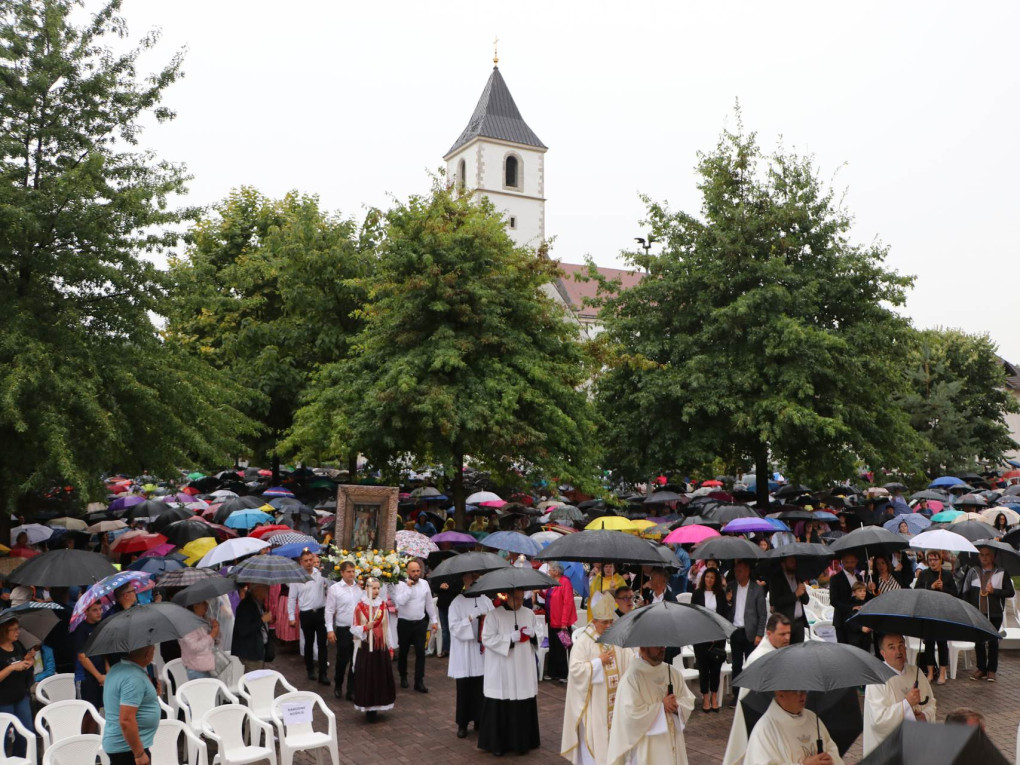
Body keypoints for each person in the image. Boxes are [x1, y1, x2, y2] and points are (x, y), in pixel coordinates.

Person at [561, 597, 631, 765]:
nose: (608, 626)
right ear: (594, 621)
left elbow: (628, 659)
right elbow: (575, 670)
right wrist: (598, 662)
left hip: (615, 705)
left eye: (610, 622)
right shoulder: (584, 642)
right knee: (595, 748)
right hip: (594, 705)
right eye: (604, 623)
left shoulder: (615, 638)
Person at [606, 644, 695, 765]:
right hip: (647, 748)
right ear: (643, 648)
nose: (662, 649)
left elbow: (688, 700)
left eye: (663, 645)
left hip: (673, 742)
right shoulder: (631, 678)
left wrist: (677, 705)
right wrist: (661, 707)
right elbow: (630, 716)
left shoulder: (672, 673)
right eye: (657, 646)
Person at [722, 613, 792, 765]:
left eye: (789, 633)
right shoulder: (758, 659)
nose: (787, 638)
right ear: (769, 633)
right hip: (759, 718)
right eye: (782, 634)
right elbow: (754, 699)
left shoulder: (780, 651)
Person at [479, 588, 541, 756]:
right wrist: (508, 638)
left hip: (523, 666)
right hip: (502, 667)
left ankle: (523, 742)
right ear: (507, 597)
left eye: (522, 598)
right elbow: (487, 638)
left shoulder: (529, 613)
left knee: (522, 700)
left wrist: (534, 634)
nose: (519, 602)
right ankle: (499, 744)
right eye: (516, 599)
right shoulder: (494, 615)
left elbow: (539, 634)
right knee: (502, 702)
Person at [863, 633, 936, 756]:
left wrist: (924, 715)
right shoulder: (877, 680)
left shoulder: (916, 672)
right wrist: (907, 703)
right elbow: (878, 721)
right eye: (891, 647)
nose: (898, 651)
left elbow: (931, 702)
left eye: (901, 646)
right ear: (883, 653)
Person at [447, 570, 493, 738]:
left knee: (481, 687)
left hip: (481, 650)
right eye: (470, 577)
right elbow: (453, 627)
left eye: (476, 576)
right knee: (465, 688)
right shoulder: (457, 603)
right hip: (465, 650)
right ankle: (463, 723)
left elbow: (494, 621)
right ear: (464, 579)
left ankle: (480, 720)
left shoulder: (486, 600)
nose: (474, 580)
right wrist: (469, 619)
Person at [743, 689, 842, 765]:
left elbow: (831, 747)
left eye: (804, 691)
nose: (802, 695)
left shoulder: (812, 718)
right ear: (780, 694)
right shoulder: (765, 729)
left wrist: (830, 759)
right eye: (796, 692)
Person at [961, 543, 1014, 682]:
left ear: (993, 556)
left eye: (987, 554)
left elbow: (1010, 592)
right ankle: (981, 668)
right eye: (981, 555)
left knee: (992, 641)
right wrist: (968, 608)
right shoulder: (973, 572)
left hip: (995, 613)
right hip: (977, 612)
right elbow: (965, 591)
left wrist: (994, 591)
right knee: (978, 641)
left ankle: (991, 670)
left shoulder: (1001, 572)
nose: (984, 557)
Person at [102, 644, 161, 765]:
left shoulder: (117, 668)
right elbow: (126, 720)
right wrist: (139, 754)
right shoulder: (133, 677)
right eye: (153, 651)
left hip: (124, 745)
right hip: (129, 749)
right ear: (147, 654)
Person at [350, 576, 396, 721]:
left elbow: (387, 628)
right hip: (366, 647)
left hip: (380, 647)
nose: (376, 591)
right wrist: (365, 627)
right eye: (373, 588)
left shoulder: (382, 605)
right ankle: (369, 709)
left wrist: (390, 647)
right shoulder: (359, 607)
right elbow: (353, 628)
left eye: (377, 588)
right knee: (368, 677)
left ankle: (380, 704)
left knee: (381, 676)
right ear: (366, 589)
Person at [724, 558, 767, 707]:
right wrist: (728, 601)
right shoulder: (731, 587)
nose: (737, 573)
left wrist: (759, 634)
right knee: (736, 665)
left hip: (750, 633)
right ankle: (737, 694)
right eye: (736, 571)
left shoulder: (756, 589)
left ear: (748, 571)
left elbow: (762, 614)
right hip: (735, 631)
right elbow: (726, 610)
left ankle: (750, 694)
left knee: (750, 665)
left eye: (740, 571)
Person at [392, 559, 438, 693]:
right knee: (404, 651)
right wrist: (409, 588)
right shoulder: (400, 584)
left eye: (418, 571)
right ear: (408, 572)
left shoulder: (424, 584)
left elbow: (429, 603)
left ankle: (419, 681)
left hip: (420, 622)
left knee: (420, 653)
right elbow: (399, 601)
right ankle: (403, 676)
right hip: (404, 623)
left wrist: (434, 620)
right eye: (413, 571)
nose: (416, 573)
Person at [287, 549, 329, 684]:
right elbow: (292, 598)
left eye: (311, 560)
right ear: (301, 563)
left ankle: (323, 673)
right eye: (306, 561)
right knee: (309, 643)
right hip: (306, 614)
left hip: (321, 612)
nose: (309, 563)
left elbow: (330, 586)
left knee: (323, 644)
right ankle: (310, 669)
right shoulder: (296, 578)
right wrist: (291, 616)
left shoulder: (321, 574)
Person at [914, 550, 956, 685]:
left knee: (942, 643)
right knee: (929, 644)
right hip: (928, 613)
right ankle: (930, 672)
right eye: (930, 559)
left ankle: (943, 672)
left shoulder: (947, 575)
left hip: (942, 613)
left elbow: (954, 594)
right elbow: (917, 592)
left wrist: (943, 588)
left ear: (940, 561)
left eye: (935, 559)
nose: (932, 562)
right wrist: (931, 587)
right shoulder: (924, 575)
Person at [691, 568, 729, 712]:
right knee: (703, 668)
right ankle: (705, 697)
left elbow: (724, 615)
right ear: (703, 578)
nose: (709, 580)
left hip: (717, 637)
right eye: (707, 577)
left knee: (715, 668)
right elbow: (693, 615)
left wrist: (718, 634)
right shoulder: (697, 594)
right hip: (701, 637)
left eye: (712, 577)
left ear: (716, 580)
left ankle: (714, 696)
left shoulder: (720, 594)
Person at [325, 560, 362, 700]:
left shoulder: (359, 587)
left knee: (355, 660)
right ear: (342, 573)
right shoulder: (335, 589)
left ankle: (351, 689)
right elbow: (329, 610)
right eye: (348, 571)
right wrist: (330, 629)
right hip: (343, 628)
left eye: (353, 571)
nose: (351, 574)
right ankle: (338, 685)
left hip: (357, 629)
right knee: (342, 659)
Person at [0, 618, 36, 758]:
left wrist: (29, 661)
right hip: (3, 701)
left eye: (18, 628)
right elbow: (12, 668)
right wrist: (12, 667)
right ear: (4, 631)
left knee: (26, 732)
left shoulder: (18, 645)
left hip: (21, 697)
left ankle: (20, 759)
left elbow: (21, 663)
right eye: (14, 629)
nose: (18, 632)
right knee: (3, 735)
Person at [74, 600, 108, 734]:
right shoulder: (80, 629)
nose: (99, 612)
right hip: (85, 677)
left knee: (97, 711)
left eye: (100, 609)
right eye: (95, 610)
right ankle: (82, 741)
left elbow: (105, 651)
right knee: (87, 712)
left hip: (101, 675)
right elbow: (82, 657)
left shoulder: (101, 626)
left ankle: (93, 743)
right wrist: (98, 676)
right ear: (86, 612)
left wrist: (107, 671)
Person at [545, 561, 577, 683]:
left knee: (564, 647)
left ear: (557, 571)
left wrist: (564, 622)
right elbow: (549, 597)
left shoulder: (565, 582)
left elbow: (568, 603)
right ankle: (553, 672)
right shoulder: (552, 583)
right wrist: (540, 593)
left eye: (551, 570)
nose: (549, 571)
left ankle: (564, 673)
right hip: (552, 619)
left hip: (562, 622)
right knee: (553, 647)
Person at [231, 583, 273, 672]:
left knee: (256, 679)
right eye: (265, 587)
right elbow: (243, 630)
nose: (267, 590)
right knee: (253, 682)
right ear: (256, 589)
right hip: (250, 652)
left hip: (258, 649)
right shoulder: (245, 606)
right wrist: (262, 620)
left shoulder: (259, 603)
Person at [769, 556, 810, 644]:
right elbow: (776, 601)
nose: (794, 564)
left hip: (799, 623)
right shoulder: (776, 579)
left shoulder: (798, 577)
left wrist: (803, 591)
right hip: (785, 623)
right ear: (783, 564)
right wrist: (795, 594)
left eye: (794, 562)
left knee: (799, 652)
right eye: (791, 562)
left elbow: (806, 601)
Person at [179, 600, 219, 681]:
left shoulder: (201, 620)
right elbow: (194, 647)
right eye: (203, 603)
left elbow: (212, 643)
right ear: (195, 606)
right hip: (197, 670)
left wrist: (214, 629)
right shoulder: (187, 624)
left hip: (207, 667)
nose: (206, 605)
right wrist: (211, 635)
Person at [830, 552, 862, 645]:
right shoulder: (835, 579)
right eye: (847, 562)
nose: (850, 565)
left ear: (856, 562)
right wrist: (850, 608)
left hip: (857, 621)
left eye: (852, 562)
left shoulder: (859, 577)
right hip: (842, 621)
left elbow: (863, 596)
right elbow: (833, 600)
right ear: (842, 562)